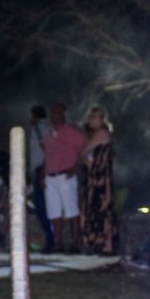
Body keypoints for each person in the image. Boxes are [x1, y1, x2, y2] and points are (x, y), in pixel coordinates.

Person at [42, 101, 86, 253]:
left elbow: (86, 149)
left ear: (64, 114)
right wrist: (43, 174)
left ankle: (75, 243)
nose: (54, 115)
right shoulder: (48, 134)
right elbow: (47, 156)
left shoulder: (72, 132)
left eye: (57, 112)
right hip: (50, 176)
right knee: (54, 212)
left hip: (65, 175)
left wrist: (75, 168)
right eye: (52, 113)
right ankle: (58, 243)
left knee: (71, 210)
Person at [79, 106, 119, 255]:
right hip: (93, 177)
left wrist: (84, 157)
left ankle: (106, 243)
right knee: (94, 210)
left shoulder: (102, 134)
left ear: (102, 119)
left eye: (94, 117)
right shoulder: (94, 135)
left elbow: (84, 151)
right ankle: (97, 242)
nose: (90, 120)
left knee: (102, 209)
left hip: (101, 179)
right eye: (90, 117)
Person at [29, 105, 54, 253]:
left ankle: (50, 239)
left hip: (42, 169)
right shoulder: (39, 128)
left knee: (41, 206)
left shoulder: (40, 128)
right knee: (41, 206)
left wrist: (43, 171)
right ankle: (50, 238)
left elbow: (47, 150)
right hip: (39, 169)